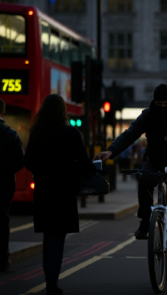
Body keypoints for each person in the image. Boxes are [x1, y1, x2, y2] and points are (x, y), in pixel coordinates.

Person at [94, 84, 167, 270]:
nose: (163, 107)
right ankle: (145, 221)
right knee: (145, 179)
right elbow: (130, 134)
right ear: (154, 101)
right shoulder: (148, 114)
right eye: (159, 103)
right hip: (156, 161)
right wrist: (111, 151)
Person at [24, 94, 96, 295]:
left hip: (43, 192)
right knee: (58, 237)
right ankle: (51, 282)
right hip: (63, 192)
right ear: (63, 111)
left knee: (48, 236)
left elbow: (28, 161)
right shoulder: (71, 133)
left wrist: (43, 168)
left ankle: (49, 276)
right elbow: (83, 163)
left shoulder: (36, 132)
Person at [0, 99, 24, 272]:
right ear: (3, 112)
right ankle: (2, 259)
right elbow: (20, 162)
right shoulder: (11, 134)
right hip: (4, 183)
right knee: (2, 220)